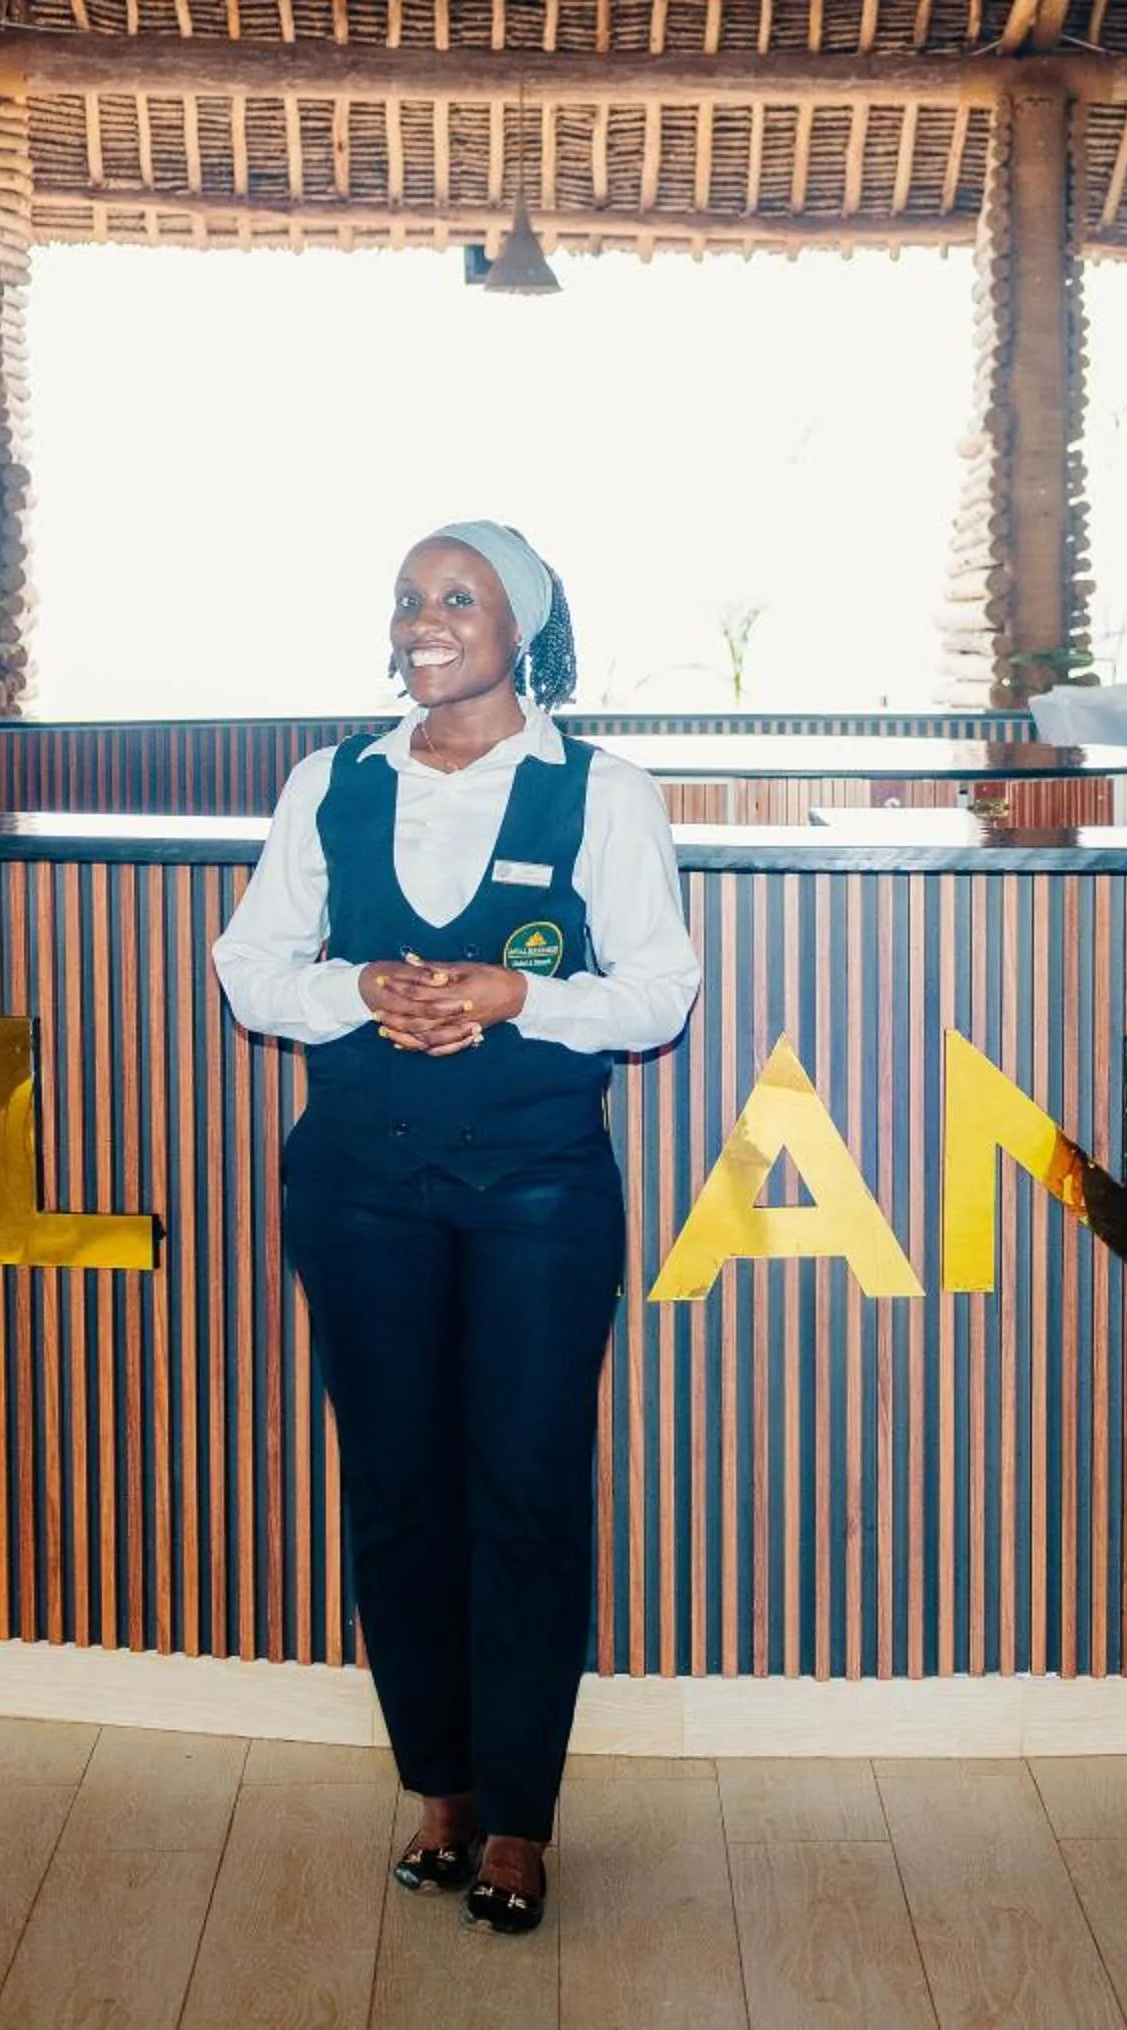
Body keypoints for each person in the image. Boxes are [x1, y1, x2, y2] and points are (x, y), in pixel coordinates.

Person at [213, 522, 700, 1935]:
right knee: (398, 1491)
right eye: (413, 597)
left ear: (521, 628)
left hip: (539, 1193)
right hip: (360, 1185)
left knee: (527, 1499)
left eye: (460, 597)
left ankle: (521, 1817)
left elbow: (659, 990)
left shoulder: (600, 793)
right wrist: (362, 988)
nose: (428, 619)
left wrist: (515, 998)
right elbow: (253, 965)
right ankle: (441, 1787)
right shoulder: (332, 783)